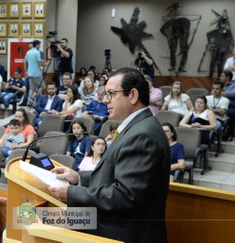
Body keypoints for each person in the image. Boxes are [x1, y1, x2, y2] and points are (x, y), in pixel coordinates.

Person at [48, 67, 170, 242]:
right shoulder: (137, 127)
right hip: (109, 222)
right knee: (26, 216)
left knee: (26, 217)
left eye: (111, 94)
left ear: (133, 95)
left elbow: (125, 195)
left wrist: (72, 193)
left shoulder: (143, 134)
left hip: (120, 231)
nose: (105, 100)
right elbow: (115, 176)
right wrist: (78, 178)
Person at [220, 70, 235, 141]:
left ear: (228, 77)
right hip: (219, 106)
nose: (220, 77)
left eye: (222, 76)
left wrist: (221, 93)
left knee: (232, 113)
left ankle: (229, 133)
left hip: (230, 106)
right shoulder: (219, 84)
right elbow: (212, 93)